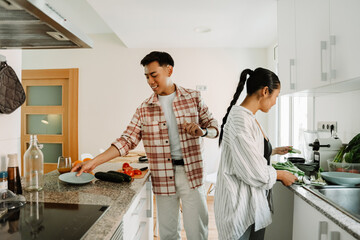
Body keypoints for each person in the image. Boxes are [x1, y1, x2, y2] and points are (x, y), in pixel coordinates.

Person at [72, 51, 219, 240]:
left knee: (197, 232)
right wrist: (93, 162)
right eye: (146, 77)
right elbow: (126, 140)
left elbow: (215, 128)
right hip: (162, 175)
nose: (150, 81)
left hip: (192, 173)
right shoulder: (144, 108)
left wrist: (203, 131)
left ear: (169, 70)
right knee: (167, 233)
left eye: (154, 75)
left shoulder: (194, 97)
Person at [214, 68, 298, 240]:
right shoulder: (240, 119)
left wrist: (272, 150)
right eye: (276, 95)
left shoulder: (247, 117)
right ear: (265, 91)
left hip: (251, 207)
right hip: (240, 209)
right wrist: (281, 174)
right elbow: (254, 171)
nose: (275, 102)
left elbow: (247, 152)